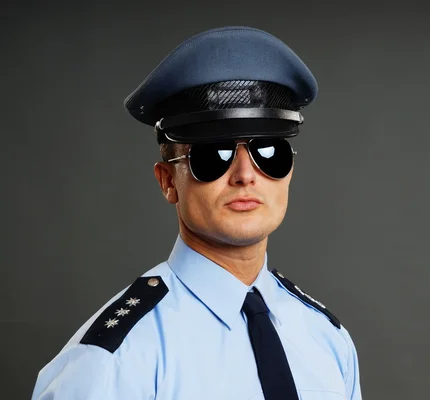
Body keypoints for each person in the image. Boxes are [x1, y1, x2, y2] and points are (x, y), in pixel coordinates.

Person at [31, 26, 362, 399]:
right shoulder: (115, 361)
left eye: (269, 152)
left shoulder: (327, 340)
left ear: (289, 172)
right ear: (168, 181)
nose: (245, 175)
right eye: (213, 155)